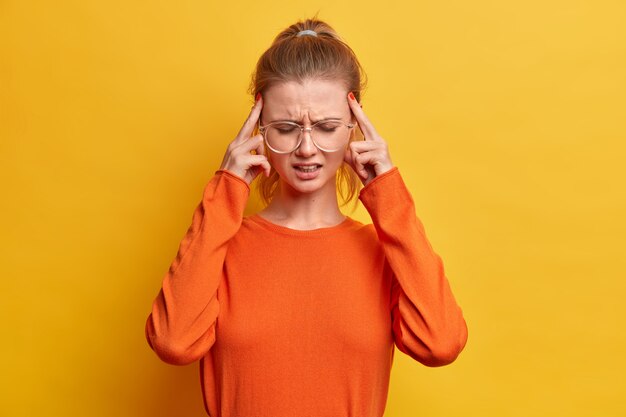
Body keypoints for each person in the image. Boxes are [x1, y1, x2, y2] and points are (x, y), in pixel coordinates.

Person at [145, 16, 468, 417]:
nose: (307, 148)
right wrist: (226, 188)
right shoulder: (222, 245)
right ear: (258, 128)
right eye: (285, 127)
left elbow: (440, 343)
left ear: (354, 126)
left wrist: (390, 197)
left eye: (327, 126)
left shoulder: (383, 251)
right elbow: (173, 342)